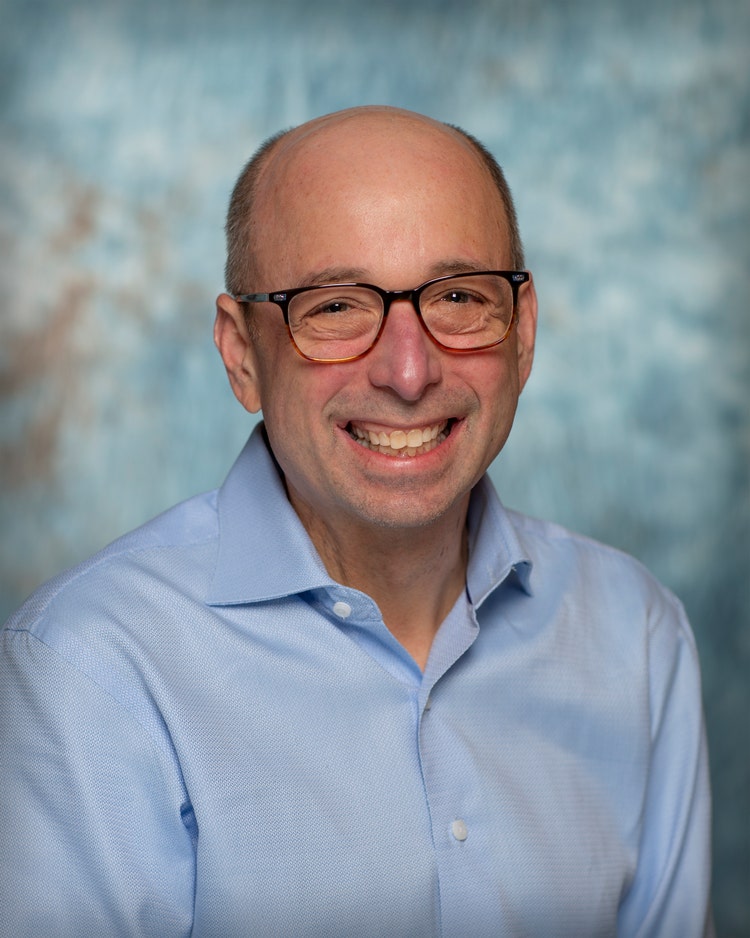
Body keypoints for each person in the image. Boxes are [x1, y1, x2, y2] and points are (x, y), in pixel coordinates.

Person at [0, 106, 713, 937]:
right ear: (241, 354)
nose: (408, 372)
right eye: (335, 307)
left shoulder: (636, 635)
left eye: (458, 297)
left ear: (522, 334)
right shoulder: (92, 668)